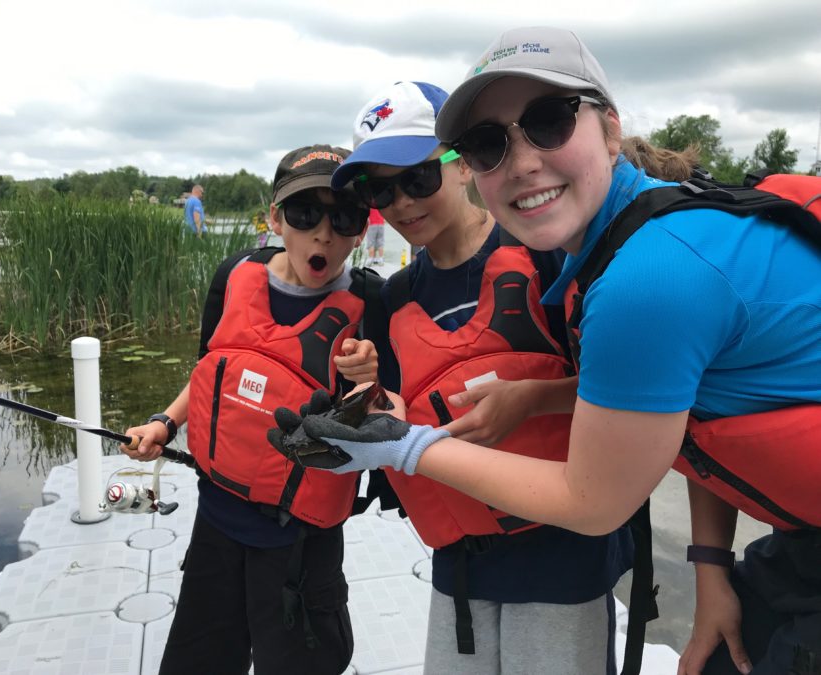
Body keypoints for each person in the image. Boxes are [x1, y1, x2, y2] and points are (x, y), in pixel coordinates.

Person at [280, 28, 821, 675]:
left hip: (562, 555)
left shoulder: (638, 277)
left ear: (610, 129)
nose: (522, 160)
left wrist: (404, 445)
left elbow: (594, 500)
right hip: (796, 540)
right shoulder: (607, 249)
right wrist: (710, 571)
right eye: (489, 143)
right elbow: (698, 400)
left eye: (549, 121)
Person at [327, 80, 633, 675]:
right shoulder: (390, 300)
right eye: (377, 189)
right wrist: (360, 395)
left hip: (562, 551)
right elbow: (402, 414)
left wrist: (532, 399)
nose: (399, 203)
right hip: (460, 560)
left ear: (465, 164)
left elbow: (631, 391)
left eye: (416, 177)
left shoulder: (545, 255)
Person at [121, 144, 380, 675]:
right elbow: (212, 373)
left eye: (344, 216)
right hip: (216, 521)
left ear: (361, 227)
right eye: (306, 214)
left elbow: (378, 429)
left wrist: (368, 382)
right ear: (275, 219)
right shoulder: (232, 275)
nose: (324, 234)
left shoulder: (372, 306)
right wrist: (165, 422)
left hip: (301, 546)